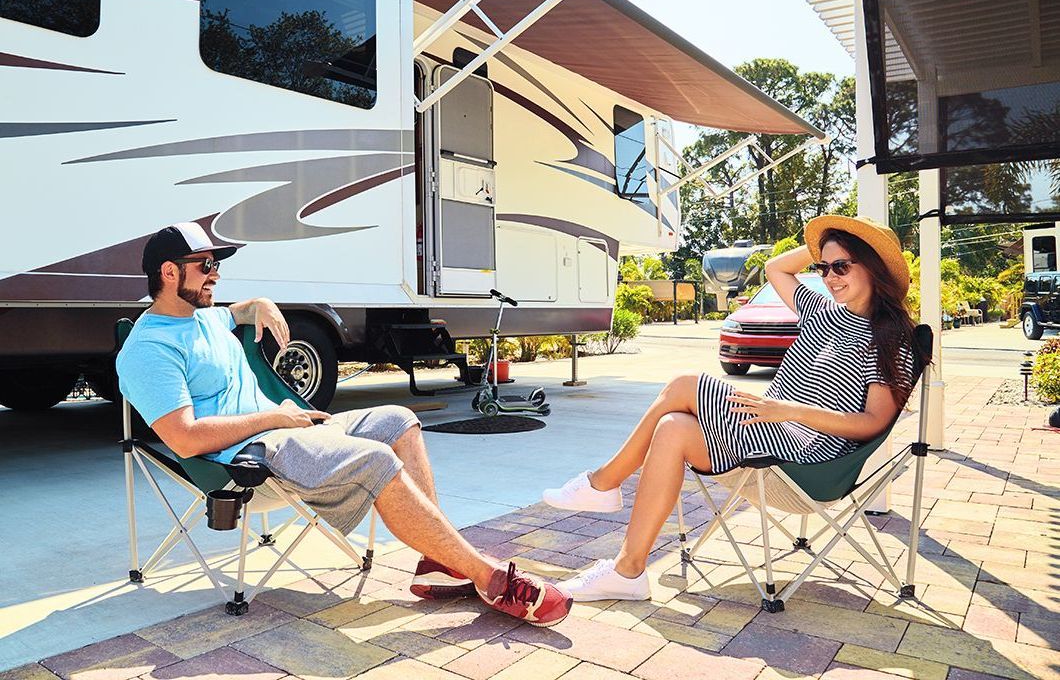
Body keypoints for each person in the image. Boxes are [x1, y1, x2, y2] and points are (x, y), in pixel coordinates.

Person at [117, 222, 571, 626]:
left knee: (399, 420)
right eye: (204, 266)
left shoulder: (206, 317)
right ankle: (488, 577)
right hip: (247, 456)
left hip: (288, 431)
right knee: (374, 458)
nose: (215, 273)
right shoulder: (148, 349)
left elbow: (237, 312)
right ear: (169, 273)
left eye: (216, 264)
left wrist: (260, 304)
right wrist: (277, 416)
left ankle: (438, 559)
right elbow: (185, 437)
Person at [543, 215, 919, 602]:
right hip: (770, 431)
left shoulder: (889, 337)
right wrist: (825, 245)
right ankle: (628, 571)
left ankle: (603, 483)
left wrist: (791, 412)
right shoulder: (822, 312)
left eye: (841, 266)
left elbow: (874, 422)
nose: (828, 277)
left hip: (806, 455)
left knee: (683, 386)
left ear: (873, 267)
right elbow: (776, 268)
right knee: (672, 426)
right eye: (823, 268)